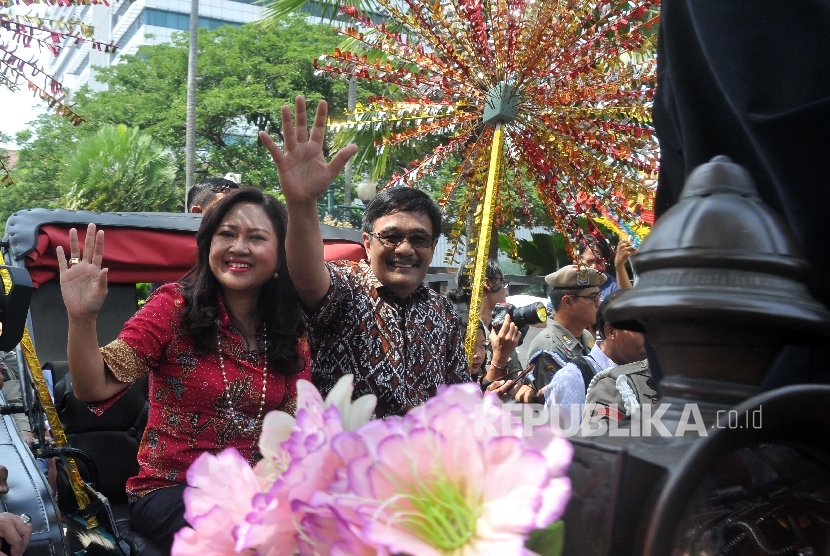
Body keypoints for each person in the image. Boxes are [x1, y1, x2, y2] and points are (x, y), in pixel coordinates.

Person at [57, 187, 311, 551]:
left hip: (259, 494)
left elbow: (295, 430)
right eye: (227, 234)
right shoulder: (174, 307)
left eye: (256, 237)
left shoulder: (290, 327)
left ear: (280, 253)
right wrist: (82, 318)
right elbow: (93, 388)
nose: (239, 247)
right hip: (171, 492)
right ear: (209, 245)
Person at [259, 96, 469, 419]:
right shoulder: (347, 287)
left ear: (433, 245)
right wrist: (302, 205)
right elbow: (307, 278)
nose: (405, 249)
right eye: (392, 237)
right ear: (368, 243)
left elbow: (460, 397)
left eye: (419, 239)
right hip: (346, 463)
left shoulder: (443, 313)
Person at [545, 290, 647, 428]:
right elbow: (562, 445)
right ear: (611, 331)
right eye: (640, 330)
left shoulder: (650, 373)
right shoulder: (572, 379)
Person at [524, 265, 607, 397]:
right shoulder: (549, 348)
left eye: (599, 297)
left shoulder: (585, 335)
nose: (599, 303)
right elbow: (559, 402)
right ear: (567, 302)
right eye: (593, 297)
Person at [447, 258, 523, 377]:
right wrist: (500, 359)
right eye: (503, 283)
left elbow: (517, 376)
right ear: (488, 283)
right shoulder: (459, 329)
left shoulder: (500, 329)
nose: (507, 293)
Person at [578, 237, 635, 301]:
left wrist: (619, 265)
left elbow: (629, 301)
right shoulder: (569, 282)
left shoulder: (614, 287)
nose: (594, 266)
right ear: (579, 259)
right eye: (589, 261)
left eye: (599, 262)